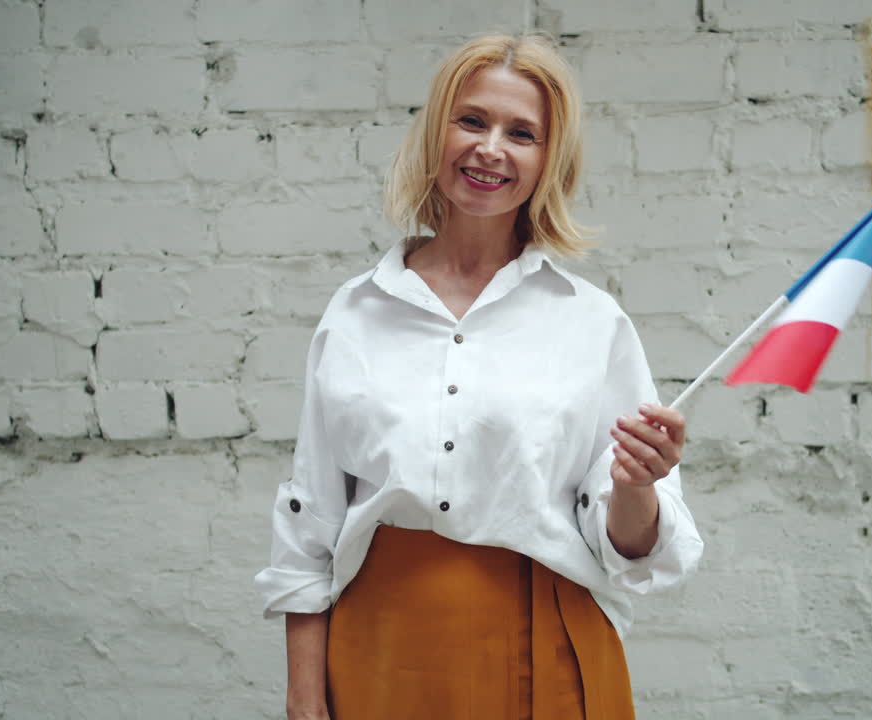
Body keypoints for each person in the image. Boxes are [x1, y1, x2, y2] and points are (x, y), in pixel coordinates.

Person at [254, 33, 704, 720]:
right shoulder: (355, 312)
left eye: (522, 133)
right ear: (438, 131)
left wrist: (636, 487)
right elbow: (311, 514)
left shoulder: (592, 323)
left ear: (549, 160)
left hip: (548, 643)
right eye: (472, 120)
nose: (491, 148)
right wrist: (304, 694)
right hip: (377, 650)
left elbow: (635, 551)